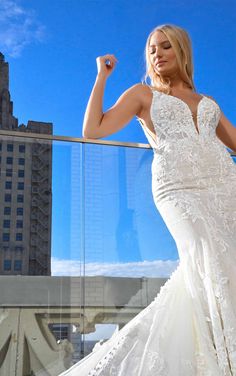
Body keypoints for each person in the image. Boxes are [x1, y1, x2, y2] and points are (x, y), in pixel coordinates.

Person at [60, 24, 236, 375]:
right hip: (178, 189)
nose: (157, 53)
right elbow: (92, 129)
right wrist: (101, 76)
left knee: (229, 262)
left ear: (182, 51)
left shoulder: (209, 103)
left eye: (166, 46)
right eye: (152, 49)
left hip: (224, 186)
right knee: (206, 254)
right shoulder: (143, 95)